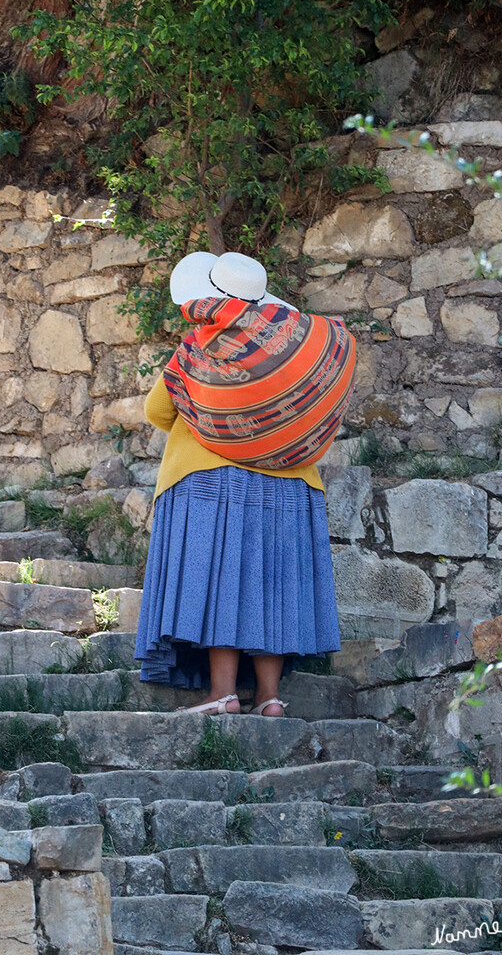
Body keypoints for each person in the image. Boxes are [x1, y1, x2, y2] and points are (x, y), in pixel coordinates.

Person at [134, 251, 354, 717]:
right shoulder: (292, 347)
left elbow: (157, 409)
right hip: (291, 484)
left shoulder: (200, 348)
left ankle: (223, 694)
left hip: (211, 479)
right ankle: (271, 699)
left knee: (222, 582)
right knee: (270, 587)